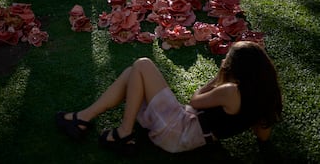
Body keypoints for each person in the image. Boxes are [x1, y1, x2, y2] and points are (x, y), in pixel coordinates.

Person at [56, 41, 283, 156]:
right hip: (191, 136)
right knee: (132, 74)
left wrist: (216, 79)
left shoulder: (231, 91)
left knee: (143, 64)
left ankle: (124, 132)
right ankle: (83, 118)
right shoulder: (263, 98)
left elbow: (195, 100)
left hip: (179, 131)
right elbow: (263, 134)